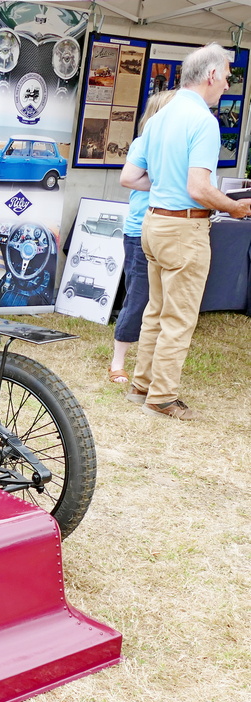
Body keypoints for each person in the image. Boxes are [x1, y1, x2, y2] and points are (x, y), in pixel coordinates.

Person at [119, 43, 251, 420]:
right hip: (184, 226)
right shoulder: (204, 121)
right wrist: (234, 206)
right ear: (211, 75)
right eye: (226, 76)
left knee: (155, 312)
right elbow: (198, 187)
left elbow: (137, 176)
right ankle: (162, 397)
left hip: (154, 223)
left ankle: (141, 385)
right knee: (179, 318)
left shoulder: (160, 117)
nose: (227, 83)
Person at [108, 90, 178, 384]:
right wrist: (167, 177)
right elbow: (128, 178)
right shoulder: (145, 142)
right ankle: (118, 362)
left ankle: (148, 362)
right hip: (140, 229)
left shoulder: (173, 144)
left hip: (166, 227)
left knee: (159, 299)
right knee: (138, 296)